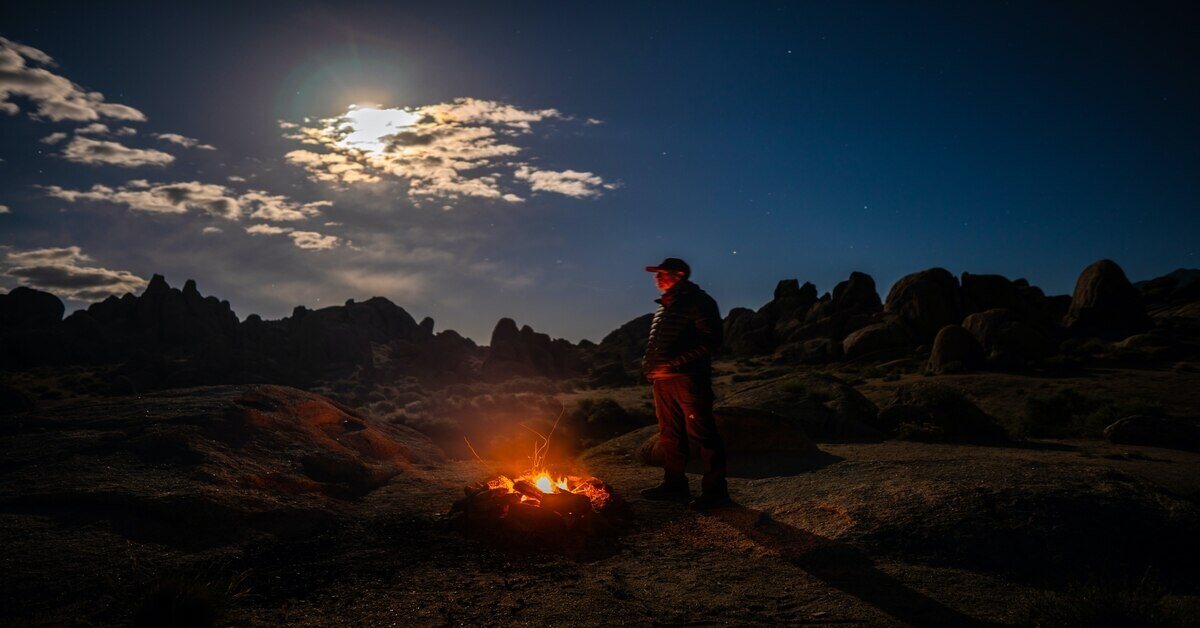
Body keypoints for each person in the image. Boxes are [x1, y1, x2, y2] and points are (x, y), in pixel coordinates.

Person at [638, 257, 732, 510]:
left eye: (661, 273)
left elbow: (711, 339)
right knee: (669, 433)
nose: (656, 278)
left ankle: (716, 493)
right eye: (655, 274)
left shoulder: (698, 302)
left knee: (702, 433)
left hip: (689, 379)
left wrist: (674, 364)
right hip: (663, 381)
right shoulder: (664, 307)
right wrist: (651, 368)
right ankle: (674, 484)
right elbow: (658, 343)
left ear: (678, 275)